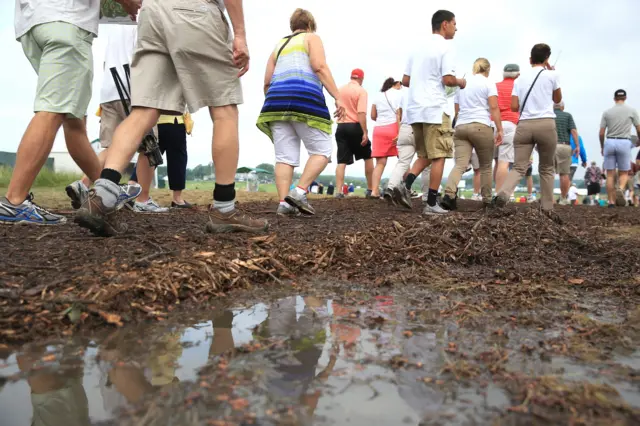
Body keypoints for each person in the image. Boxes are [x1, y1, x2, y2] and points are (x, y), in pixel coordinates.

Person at [75, 0, 268, 237]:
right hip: (194, 11)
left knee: (144, 111)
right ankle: (224, 208)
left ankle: (102, 196)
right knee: (224, 109)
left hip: (152, 13)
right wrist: (239, 34)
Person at [0, 0, 139, 225]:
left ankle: (105, 188)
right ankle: (14, 201)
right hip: (66, 20)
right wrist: (129, 3)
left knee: (74, 121)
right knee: (52, 110)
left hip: (33, 23)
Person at [257, 9, 343, 217]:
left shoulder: (278, 46)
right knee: (322, 150)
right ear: (310, 25)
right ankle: (299, 192)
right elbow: (319, 66)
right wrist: (337, 96)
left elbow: (267, 82)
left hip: (275, 102)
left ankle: (284, 204)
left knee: (284, 157)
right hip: (304, 97)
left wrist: (277, 100)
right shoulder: (312, 38)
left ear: (292, 26)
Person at [395, 10, 466, 214]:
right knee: (440, 155)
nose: (456, 27)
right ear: (445, 24)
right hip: (436, 107)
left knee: (426, 153)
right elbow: (448, 80)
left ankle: (404, 186)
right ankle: (432, 204)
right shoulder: (446, 47)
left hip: (415, 109)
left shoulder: (416, 48)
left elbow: (406, 80)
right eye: (454, 23)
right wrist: (461, 82)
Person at [494, 43, 561, 212]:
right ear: (547, 59)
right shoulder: (552, 75)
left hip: (524, 125)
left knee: (519, 166)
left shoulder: (519, 79)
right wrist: (551, 72)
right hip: (546, 124)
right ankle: (547, 206)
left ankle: (503, 194)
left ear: (530, 59)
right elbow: (558, 99)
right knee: (546, 168)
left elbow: (514, 106)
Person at [442, 58, 503, 210]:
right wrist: (499, 129)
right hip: (481, 125)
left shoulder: (462, 83)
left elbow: (457, 110)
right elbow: (494, 108)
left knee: (460, 165)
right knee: (486, 166)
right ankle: (487, 200)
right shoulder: (488, 83)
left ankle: (448, 195)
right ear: (487, 69)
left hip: (461, 126)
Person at [128, 112, 194, 211]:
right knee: (177, 160)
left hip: (153, 121)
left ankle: (131, 188)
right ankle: (177, 199)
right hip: (174, 120)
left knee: (149, 155)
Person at [599, 89, 640, 207]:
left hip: (610, 141)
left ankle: (611, 202)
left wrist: (602, 146)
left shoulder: (607, 112)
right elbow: (638, 129)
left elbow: (601, 133)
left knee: (610, 174)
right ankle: (621, 189)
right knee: (623, 172)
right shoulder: (632, 111)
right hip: (624, 142)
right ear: (625, 98)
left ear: (614, 99)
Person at [335, 69, 372, 199]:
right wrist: (365, 132)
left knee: (341, 161)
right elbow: (361, 113)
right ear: (361, 79)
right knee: (367, 156)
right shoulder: (361, 91)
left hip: (341, 126)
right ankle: (370, 189)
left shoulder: (339, 90)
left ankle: (338, 191)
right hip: (355, 125)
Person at [370, 78, 402, 198]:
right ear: (396, 84)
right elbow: (399, 115)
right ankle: (406, 189)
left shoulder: (378, 96)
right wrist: (399, 132)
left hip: (378, 129)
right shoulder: (398, 95)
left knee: (380, 163)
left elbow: (373, 115)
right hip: (393, 128)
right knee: (403, 159)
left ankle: (374, 191)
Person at [384, 87, 415, 205]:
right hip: (419, 127)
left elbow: (399, 114)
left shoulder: (404, 93)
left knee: (402, 162)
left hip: (404, 128)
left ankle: (390, 188)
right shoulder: (426, 86)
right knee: (426, 162)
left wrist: (399, 131)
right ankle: (426, 196)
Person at [494, 64, 520, 193]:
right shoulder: (518, 87)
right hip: (511, 123)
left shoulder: (495, 86)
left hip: (494, 123)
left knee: (492, 162)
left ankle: (487, 194)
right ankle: (499, 194)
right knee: (504, 162)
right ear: (518, 74)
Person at [553, 101, 580, 204]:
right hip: (564, 146)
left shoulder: (548, 115)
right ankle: (563, 199)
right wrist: (577, 145)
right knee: (564, 174)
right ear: (562, 107)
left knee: (548, 173)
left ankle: (548, 198)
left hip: (550, 146)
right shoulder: (568, 116)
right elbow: (573, 131)